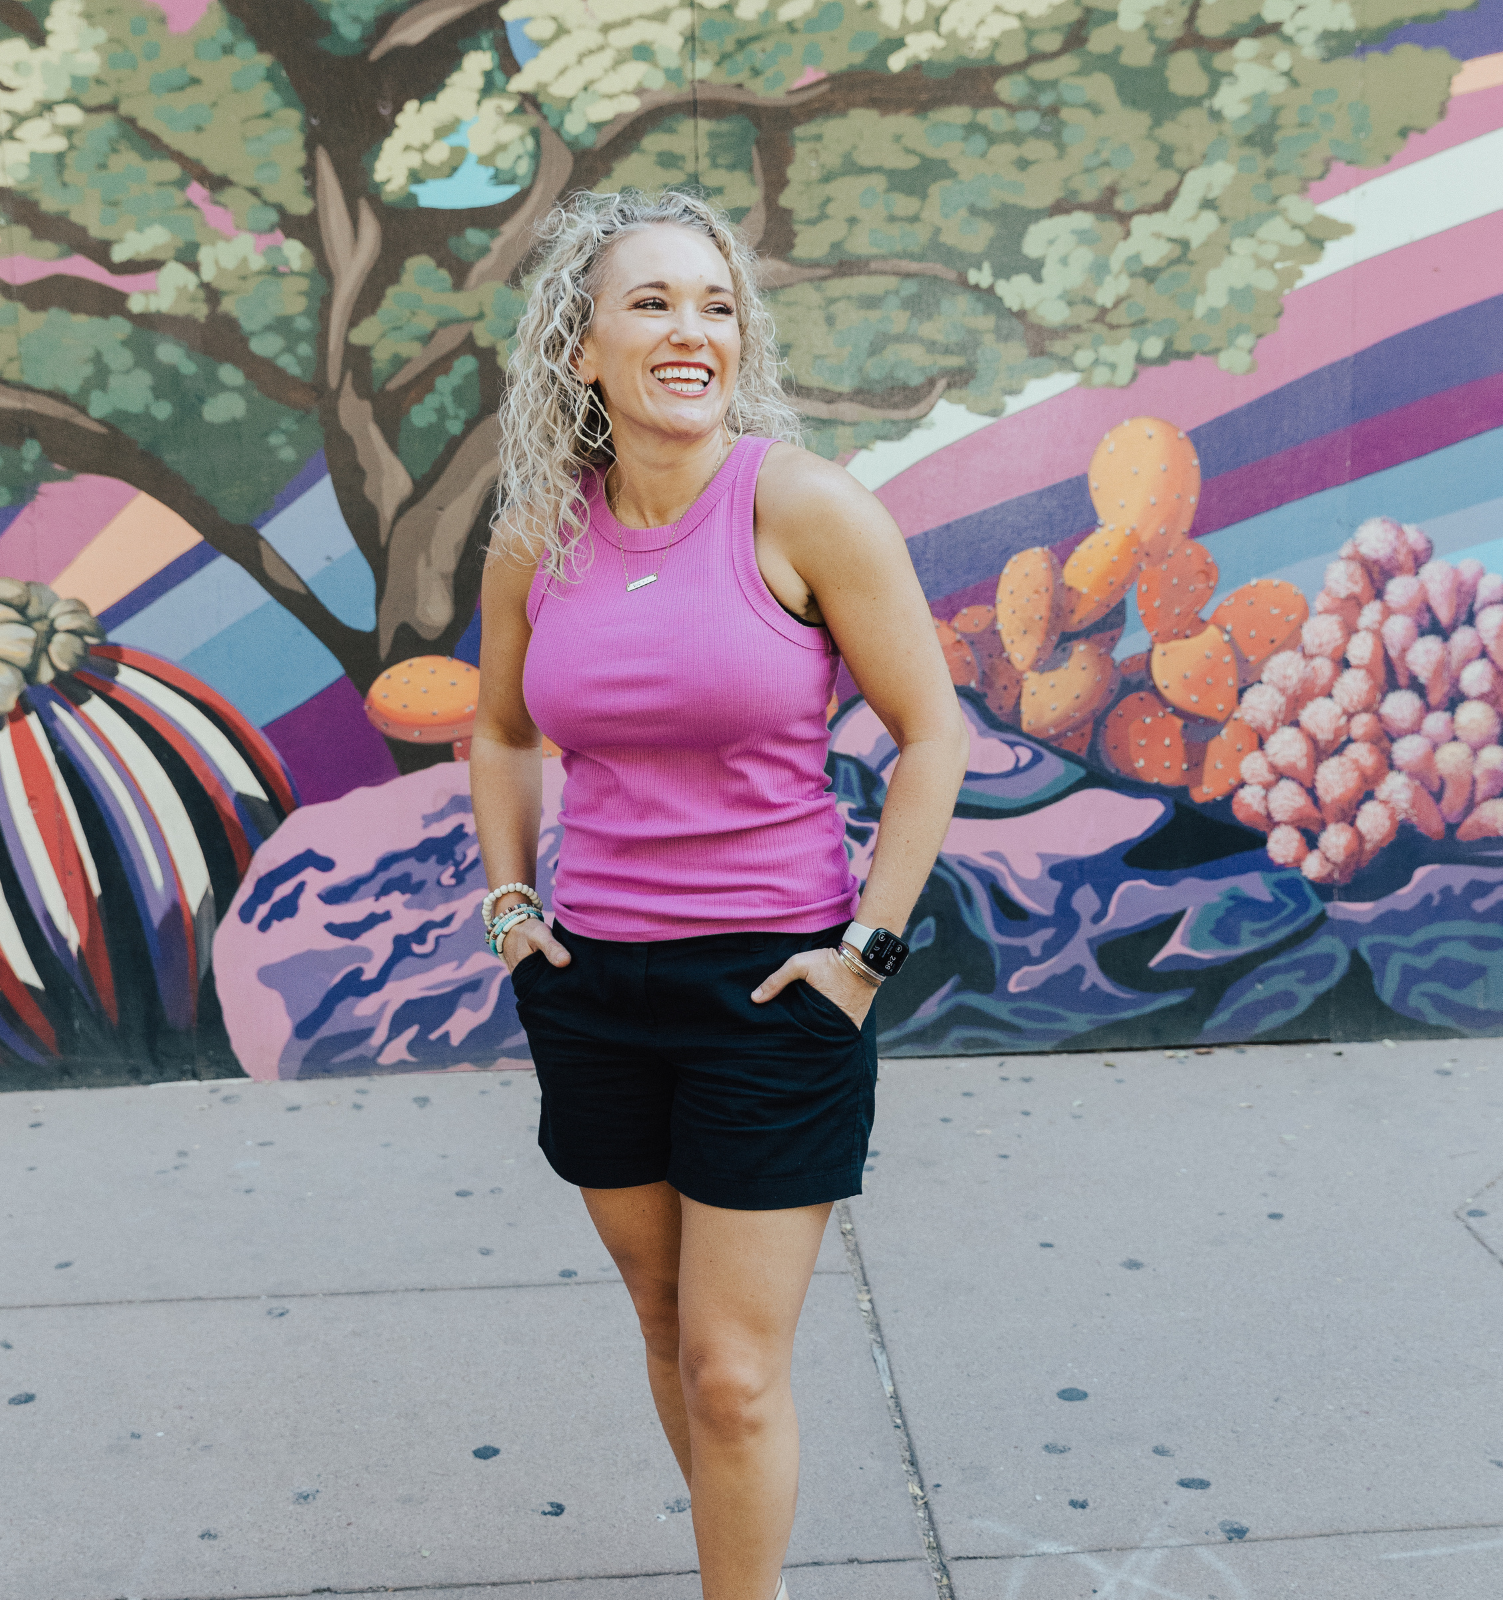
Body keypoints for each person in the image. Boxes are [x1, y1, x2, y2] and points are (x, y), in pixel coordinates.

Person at [471, 188, 967, 1600]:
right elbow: (501, 733)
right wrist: (514, 916)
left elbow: (933, 734)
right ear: (581, 348)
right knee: (667, 1322)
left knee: (735, 1374)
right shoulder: (540, 536)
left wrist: (867, 952)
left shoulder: (805, 505)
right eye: (653, 302)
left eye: (717, 303)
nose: (693, 330)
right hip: (594, 986)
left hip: (773, 987)